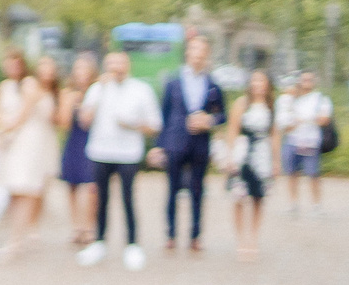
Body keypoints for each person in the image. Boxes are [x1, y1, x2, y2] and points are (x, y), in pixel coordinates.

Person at [77, 49, 161, 269]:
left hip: (128, 154)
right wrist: (98, 91)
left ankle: (132, 245)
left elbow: (154, 125)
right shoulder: (98, 89)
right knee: (101, 199)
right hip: (100, 151)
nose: (116, 67)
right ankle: (99, 242)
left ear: (128, 65)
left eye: (120, 63)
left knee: (127, 198)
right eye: (112, 63)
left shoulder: (141, 90)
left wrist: (133, 124)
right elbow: (85, 120)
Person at [156, 34, 224, 255]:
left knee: (197, 190)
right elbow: (164, 115)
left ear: (206, 56)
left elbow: (222, 115)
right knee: (172, 189)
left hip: (200, 144)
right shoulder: (173, 81)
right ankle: (171, 234)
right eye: (195, 52)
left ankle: (195, 235)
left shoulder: (213, 84)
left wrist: (209, 121)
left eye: (202, 53)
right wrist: (160, 145)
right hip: (176, 143)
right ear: (188, 53)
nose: (198, 57)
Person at [0, 52, 60, 257]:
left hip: (28, 141)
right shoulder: (4, 86)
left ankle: (17, 240)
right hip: (13, 141)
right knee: (15, 190)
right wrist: (2, 129)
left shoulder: (29, 84)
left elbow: (24, 113)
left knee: (25, 189)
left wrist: (4, 130)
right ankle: (16, 237)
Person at [227, 69, 275, 260]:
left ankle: (253, 238)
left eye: (261, 81)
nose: (258, 85)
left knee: (258, 198)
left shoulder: (271, 106)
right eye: (254, 81)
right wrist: (230, 156)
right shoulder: (242, 104)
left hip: (262, 155)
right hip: (243, 153)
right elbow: (232, 130)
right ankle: (240, 240)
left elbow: (275, 135)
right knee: (239, 198)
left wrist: (276, 161)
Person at [58, 52, 100, 249]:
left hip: (94, 140)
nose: (81, 73)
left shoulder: (98, 91)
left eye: (85, 69)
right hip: (74, 140)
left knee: (92, 186)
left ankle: (90, 227)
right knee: (73, 185)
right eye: (78, 69)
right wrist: (71, 103)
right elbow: (63, 123)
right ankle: (76, 226)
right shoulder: (68, 93)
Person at [276, 69, 332, 213]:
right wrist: (309, 119)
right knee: (291, 173)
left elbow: (324, 119)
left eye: (309, 79)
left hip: (311, 142)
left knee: (313, 174)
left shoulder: (320, 99)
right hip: (293, 140)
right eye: (304, 79)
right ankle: (293, 203)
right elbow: (285, 123)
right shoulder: (291, 99)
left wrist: (302, 120)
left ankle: (316, 204)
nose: (306, 82)